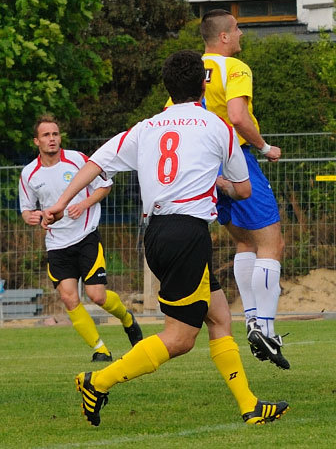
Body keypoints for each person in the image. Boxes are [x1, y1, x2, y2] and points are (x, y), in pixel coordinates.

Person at [43, 50, 288, 426]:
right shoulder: (217, 127)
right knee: (179, 338)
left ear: (167, 88)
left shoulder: (146, 127)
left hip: (157, 233)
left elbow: (95, 163)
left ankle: (249, 405)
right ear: (203, 85)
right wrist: (217, 181)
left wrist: (60, 203)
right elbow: (242, 190)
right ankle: (98, 380)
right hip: (187, 234)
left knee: (220, 317)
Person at [195, 9, 288, 370]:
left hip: (202, 166)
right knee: (272, 243)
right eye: (236, 29)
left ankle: (251, 318)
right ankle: (264, 326)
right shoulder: (234, 68)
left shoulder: (190, 68)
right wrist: (265, 147)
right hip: (234, 159)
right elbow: (237, 115)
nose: (241, 34)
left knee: (244, 243)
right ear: (222, 37)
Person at [18, 115, 143, 361]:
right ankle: (100, 350)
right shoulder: (29, 173)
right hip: (56, 244)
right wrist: (30, 217)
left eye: (55, 134)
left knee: (97, 295)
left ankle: (127, 319)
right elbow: (26, 209)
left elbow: (105, 185)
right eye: (46, 135)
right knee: (68, 296)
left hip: (85, 236)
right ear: (37, 141)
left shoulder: (77, 160)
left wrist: (84, 204)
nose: (52, 139)